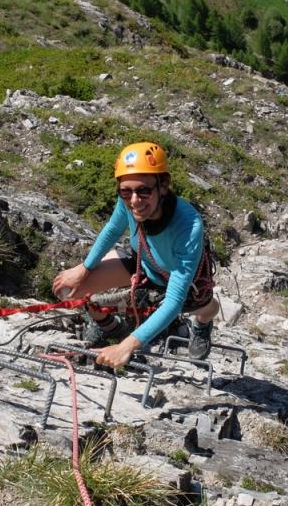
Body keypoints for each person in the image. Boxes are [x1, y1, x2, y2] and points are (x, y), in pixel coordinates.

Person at [52, 142, 219, 369]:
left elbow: (173, 301)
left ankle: (202, 325)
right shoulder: (127, 203)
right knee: (68, 289)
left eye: (144, 190)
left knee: (205, 308)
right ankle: (109, 326)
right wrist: (84, 268)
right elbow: (112, 229)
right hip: (143, 263)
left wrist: (127, 346)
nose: (134, 201)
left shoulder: (188, 225)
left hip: (185, 283)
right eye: (125, 191)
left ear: (164, 185)